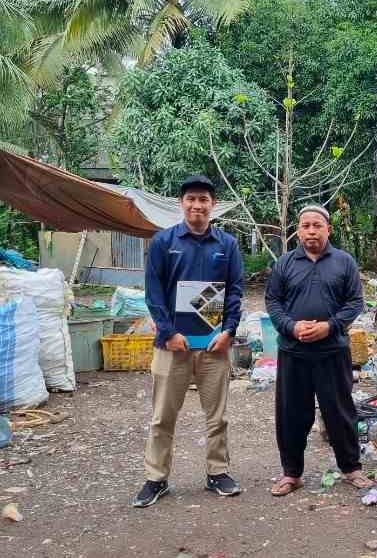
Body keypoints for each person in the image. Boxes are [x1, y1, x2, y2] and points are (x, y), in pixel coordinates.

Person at [133, 175, 244, 508]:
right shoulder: (163, 242)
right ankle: (156, 478)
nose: (198, 205)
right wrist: (168, 334)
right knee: (162, 417)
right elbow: (153, 294)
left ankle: (218, 473)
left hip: (214, 346)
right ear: (182, 203)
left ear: (213, 205)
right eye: (191, 199)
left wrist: (229, 331)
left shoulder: (228, 245)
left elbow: (235, 291)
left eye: (204, 199)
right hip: (173, 347)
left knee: (218, 416)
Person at [265, 205, 373, 496]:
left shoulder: (344, 262)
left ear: (328, 229)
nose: (311, 230)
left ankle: (351, 468)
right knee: (291, 414)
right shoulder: (285, 263)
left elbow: (354, 303)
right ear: (298, 231)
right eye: (305, 226)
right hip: (293, 351)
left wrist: (329, 326)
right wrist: (291, 327)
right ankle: (291, 473)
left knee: (339, 411)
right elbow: (273, 302)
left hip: (332, 352)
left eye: (317, 225)